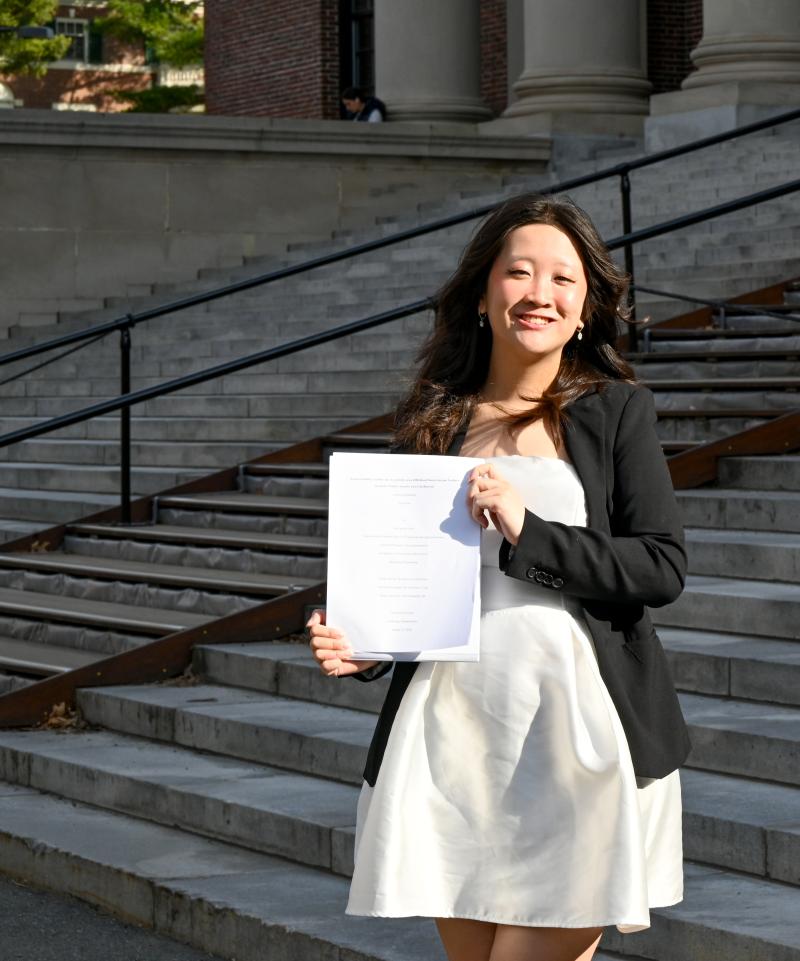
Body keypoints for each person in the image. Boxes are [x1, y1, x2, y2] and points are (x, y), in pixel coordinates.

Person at [307, 193, 690, 961]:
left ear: (585, 307)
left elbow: (661, 564)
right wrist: (366, 644)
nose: (539, 292)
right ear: (484, 294)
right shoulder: (436, 418)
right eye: (518, 271)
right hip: (457, 735)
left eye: (562, 279)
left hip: (577, 731)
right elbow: (420, 575)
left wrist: (529, 529)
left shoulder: (615, 411)